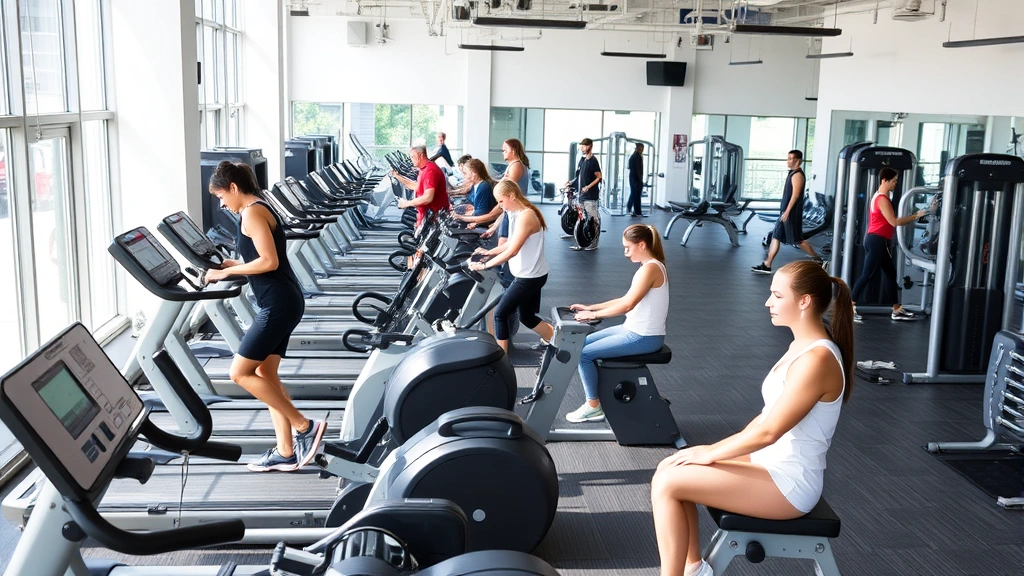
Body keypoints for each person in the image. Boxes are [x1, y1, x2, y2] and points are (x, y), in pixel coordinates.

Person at [650, 261, 855, 576]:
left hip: (790, 483)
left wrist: (710, 452)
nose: (767, 302)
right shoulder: (801, 346)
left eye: (776, 295)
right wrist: (705, 452)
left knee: (668, 483)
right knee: (674, 466)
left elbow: (770, 431)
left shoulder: (817, 359)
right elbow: (764, 420)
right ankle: (693, 569)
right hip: (770, 462)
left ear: (804, 301)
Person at [202, 161, 326, 473]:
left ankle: (304, 426)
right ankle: (285, 452)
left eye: (221, 197)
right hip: (283, 298)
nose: (222, 204)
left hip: (278, 303)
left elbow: (269, 262)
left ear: (233, 188)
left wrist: (227, 272)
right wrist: (234, 262)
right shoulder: (258, 207)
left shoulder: (252, 212)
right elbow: (262, 256)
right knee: (267, 376)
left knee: (239, 373)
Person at [566, 224, 668, 423]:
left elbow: (627, 306)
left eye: (628, 248)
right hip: (631, 330)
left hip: (643, 337)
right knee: (582, 344)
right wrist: (591, 307)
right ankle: (599, 399)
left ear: (642, 245)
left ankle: (593, 405)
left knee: (583, 354)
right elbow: (624, 299)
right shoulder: (648, 267)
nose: (625, 253)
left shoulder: (651, 269)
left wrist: (591, 315)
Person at [468, 180, 554, 353]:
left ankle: (503, 361)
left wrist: (485, 265)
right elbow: (508, 245)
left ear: (511, 196)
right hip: (530, 274)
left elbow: (513, 251)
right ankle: (558, 340)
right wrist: (488, 252)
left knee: (500, 314)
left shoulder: (527, 216)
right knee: (527, 317)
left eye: (501, 201)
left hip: (529, 277)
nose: (500, 206)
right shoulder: (517, 213)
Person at [849, 167, 927, 323]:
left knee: (891, 275)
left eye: (896, 181)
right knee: (867, 275)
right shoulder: (882, 199)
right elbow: (895, 222)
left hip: (877, 239)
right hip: (878, 240)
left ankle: (896, 309)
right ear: (884, 180)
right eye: (893, 181)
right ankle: (849, 307)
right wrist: (915, 216)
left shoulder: (879, 196)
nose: (895, 184)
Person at [752, 150, 823, 274]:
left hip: (791, 213)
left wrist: (787, 212)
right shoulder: (792, 173)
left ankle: (818, 259)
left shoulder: (798, 175)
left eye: (791, 158)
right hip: (785, 212)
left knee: (797, 240)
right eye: (788, 158)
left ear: (797, 160)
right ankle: (767, 264)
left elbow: (795, 196)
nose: (788, 161)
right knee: (776, 236)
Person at [391, 145, 450, 227]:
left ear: (421, 155)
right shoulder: (423, 169)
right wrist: (398, 177)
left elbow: (428, 198)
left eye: (413, 157)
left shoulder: (430, 171)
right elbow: (417, 187)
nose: (411, 160)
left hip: (433, 219)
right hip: (425, 217)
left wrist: (407, 203)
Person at [566, 138, 602, 250]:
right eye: (582, 146)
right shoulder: (582, 160)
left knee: (593, 219)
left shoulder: (593, 161)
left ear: (590, 146)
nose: (583, 147)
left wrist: (588, 187)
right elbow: (579, 177)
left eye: (585, 146)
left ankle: (594, 242)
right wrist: (571, 182)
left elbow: (599, 177)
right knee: (582, 219)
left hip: (591, 196)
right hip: (582, 196)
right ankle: (582, 242)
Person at [455, 159, 500, 228]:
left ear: (474, 173)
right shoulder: (475, 185)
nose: (464, 176)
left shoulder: (484, 187)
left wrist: (471, 213)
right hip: (477, 220)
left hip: (485, 224)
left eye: (465, 173)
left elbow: (482, 213)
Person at [627, 143, 645, 217]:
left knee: (633, 194)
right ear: (638, 148)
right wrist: (640, 180)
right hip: (636, 179)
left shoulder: (633, 156)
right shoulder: (637, 157)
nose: (642, 150)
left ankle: (629, 208)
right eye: (641, 149)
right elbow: (638, 170)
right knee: (636, 195)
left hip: (633, 178)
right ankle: (637, 211)